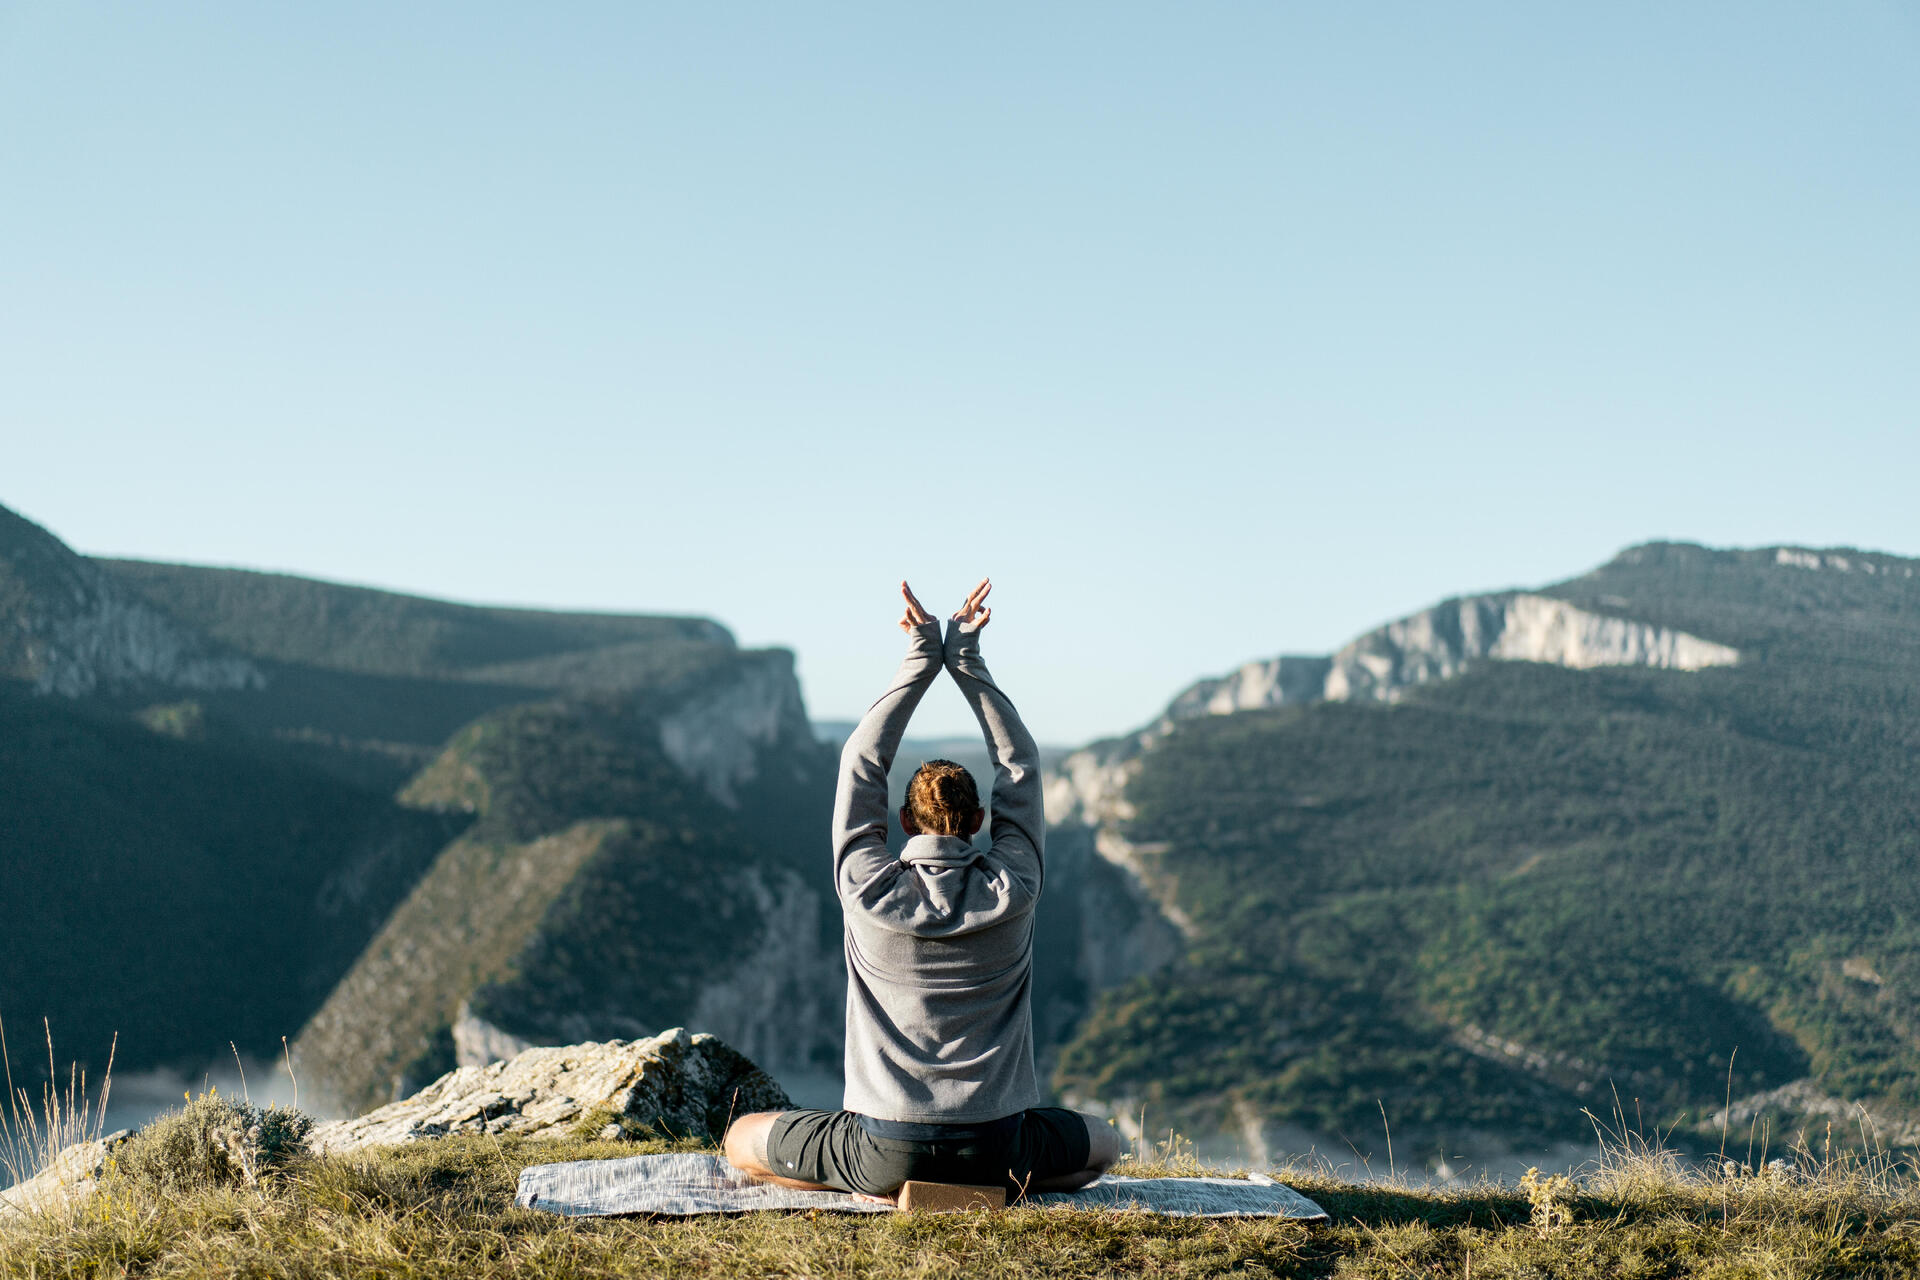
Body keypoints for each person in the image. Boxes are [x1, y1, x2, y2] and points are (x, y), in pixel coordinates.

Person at [723, 578, 1120, 1202]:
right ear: (982, 822)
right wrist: (966, 659)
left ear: (903, 821)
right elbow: (1020, 767)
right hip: (998, 1147)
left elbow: (862, 764)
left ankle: (884, 1190)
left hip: (884, 1147)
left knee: (742, 1137)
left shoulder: (868, 885)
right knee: (1105, 1144)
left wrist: (920, 656)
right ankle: (984, 1193)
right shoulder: (1015, 883)